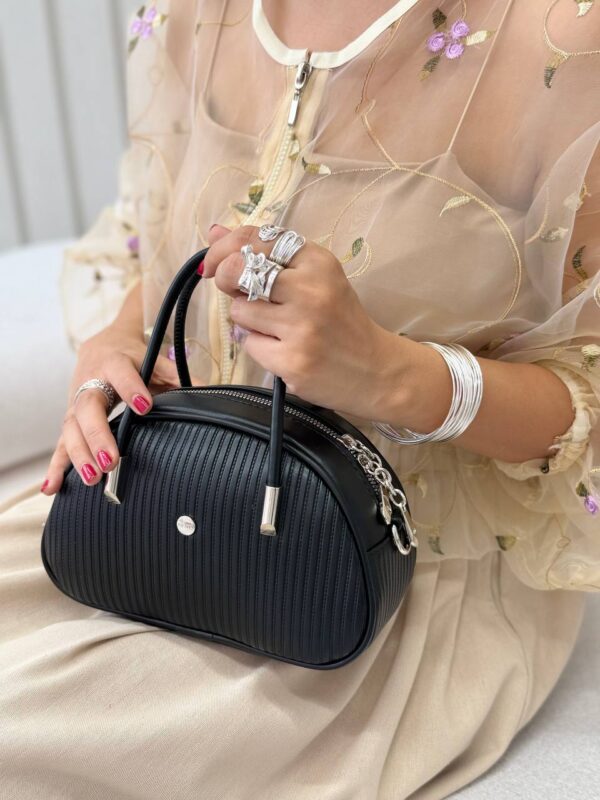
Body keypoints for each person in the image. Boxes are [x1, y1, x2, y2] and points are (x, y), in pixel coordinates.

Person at [1, 0, 599, 797]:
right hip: (158, 498)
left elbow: (585, 400)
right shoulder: (194, 11)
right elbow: (155, 236)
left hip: (379, 575)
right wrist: (111, 348)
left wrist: (392, 374)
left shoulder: (565, 36)